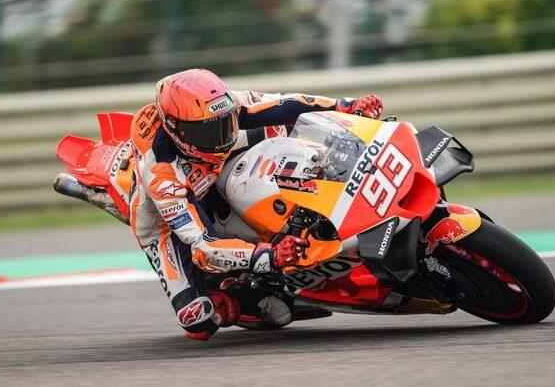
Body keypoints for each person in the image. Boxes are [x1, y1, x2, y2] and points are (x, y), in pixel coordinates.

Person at [129, 68, 383, 340]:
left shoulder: (223, 107)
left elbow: (284, 104)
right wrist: (271, 256)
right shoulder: (163, 177)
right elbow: (205, 246)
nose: (220, 136)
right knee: (198, 319)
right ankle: (239, 294)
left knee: (284, 128)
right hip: (166, 224)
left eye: (224, 123)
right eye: (207, 131)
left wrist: (345, 106)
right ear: (175, 128)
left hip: (210, 166)